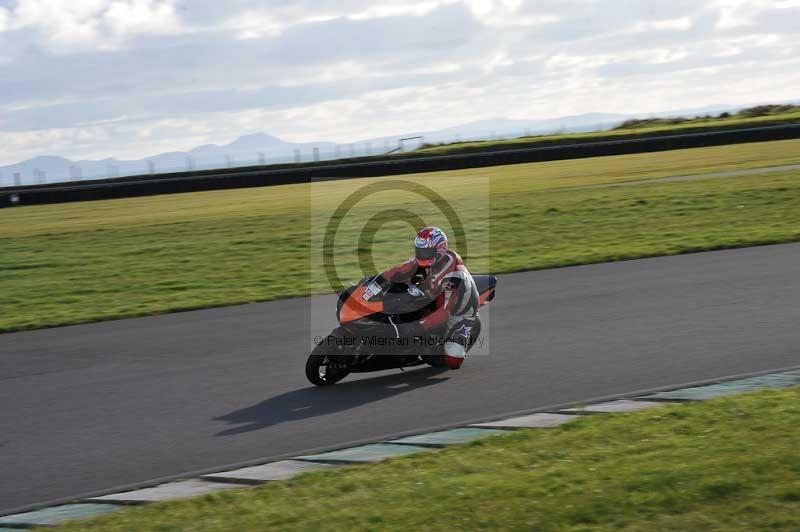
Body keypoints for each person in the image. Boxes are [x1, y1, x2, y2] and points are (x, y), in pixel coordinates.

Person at [378, 227, 480, 369]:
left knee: (453, 362)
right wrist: (377, 281)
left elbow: (444, 313)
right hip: (435, 294)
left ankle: (456, 338)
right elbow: (399, 270)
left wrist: (413, 327)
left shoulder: (455, 276)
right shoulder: (425, 261)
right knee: (398, 289)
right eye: (419, 250)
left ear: (440, 250)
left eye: (426, 252)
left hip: (458, 312)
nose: (421, 255)